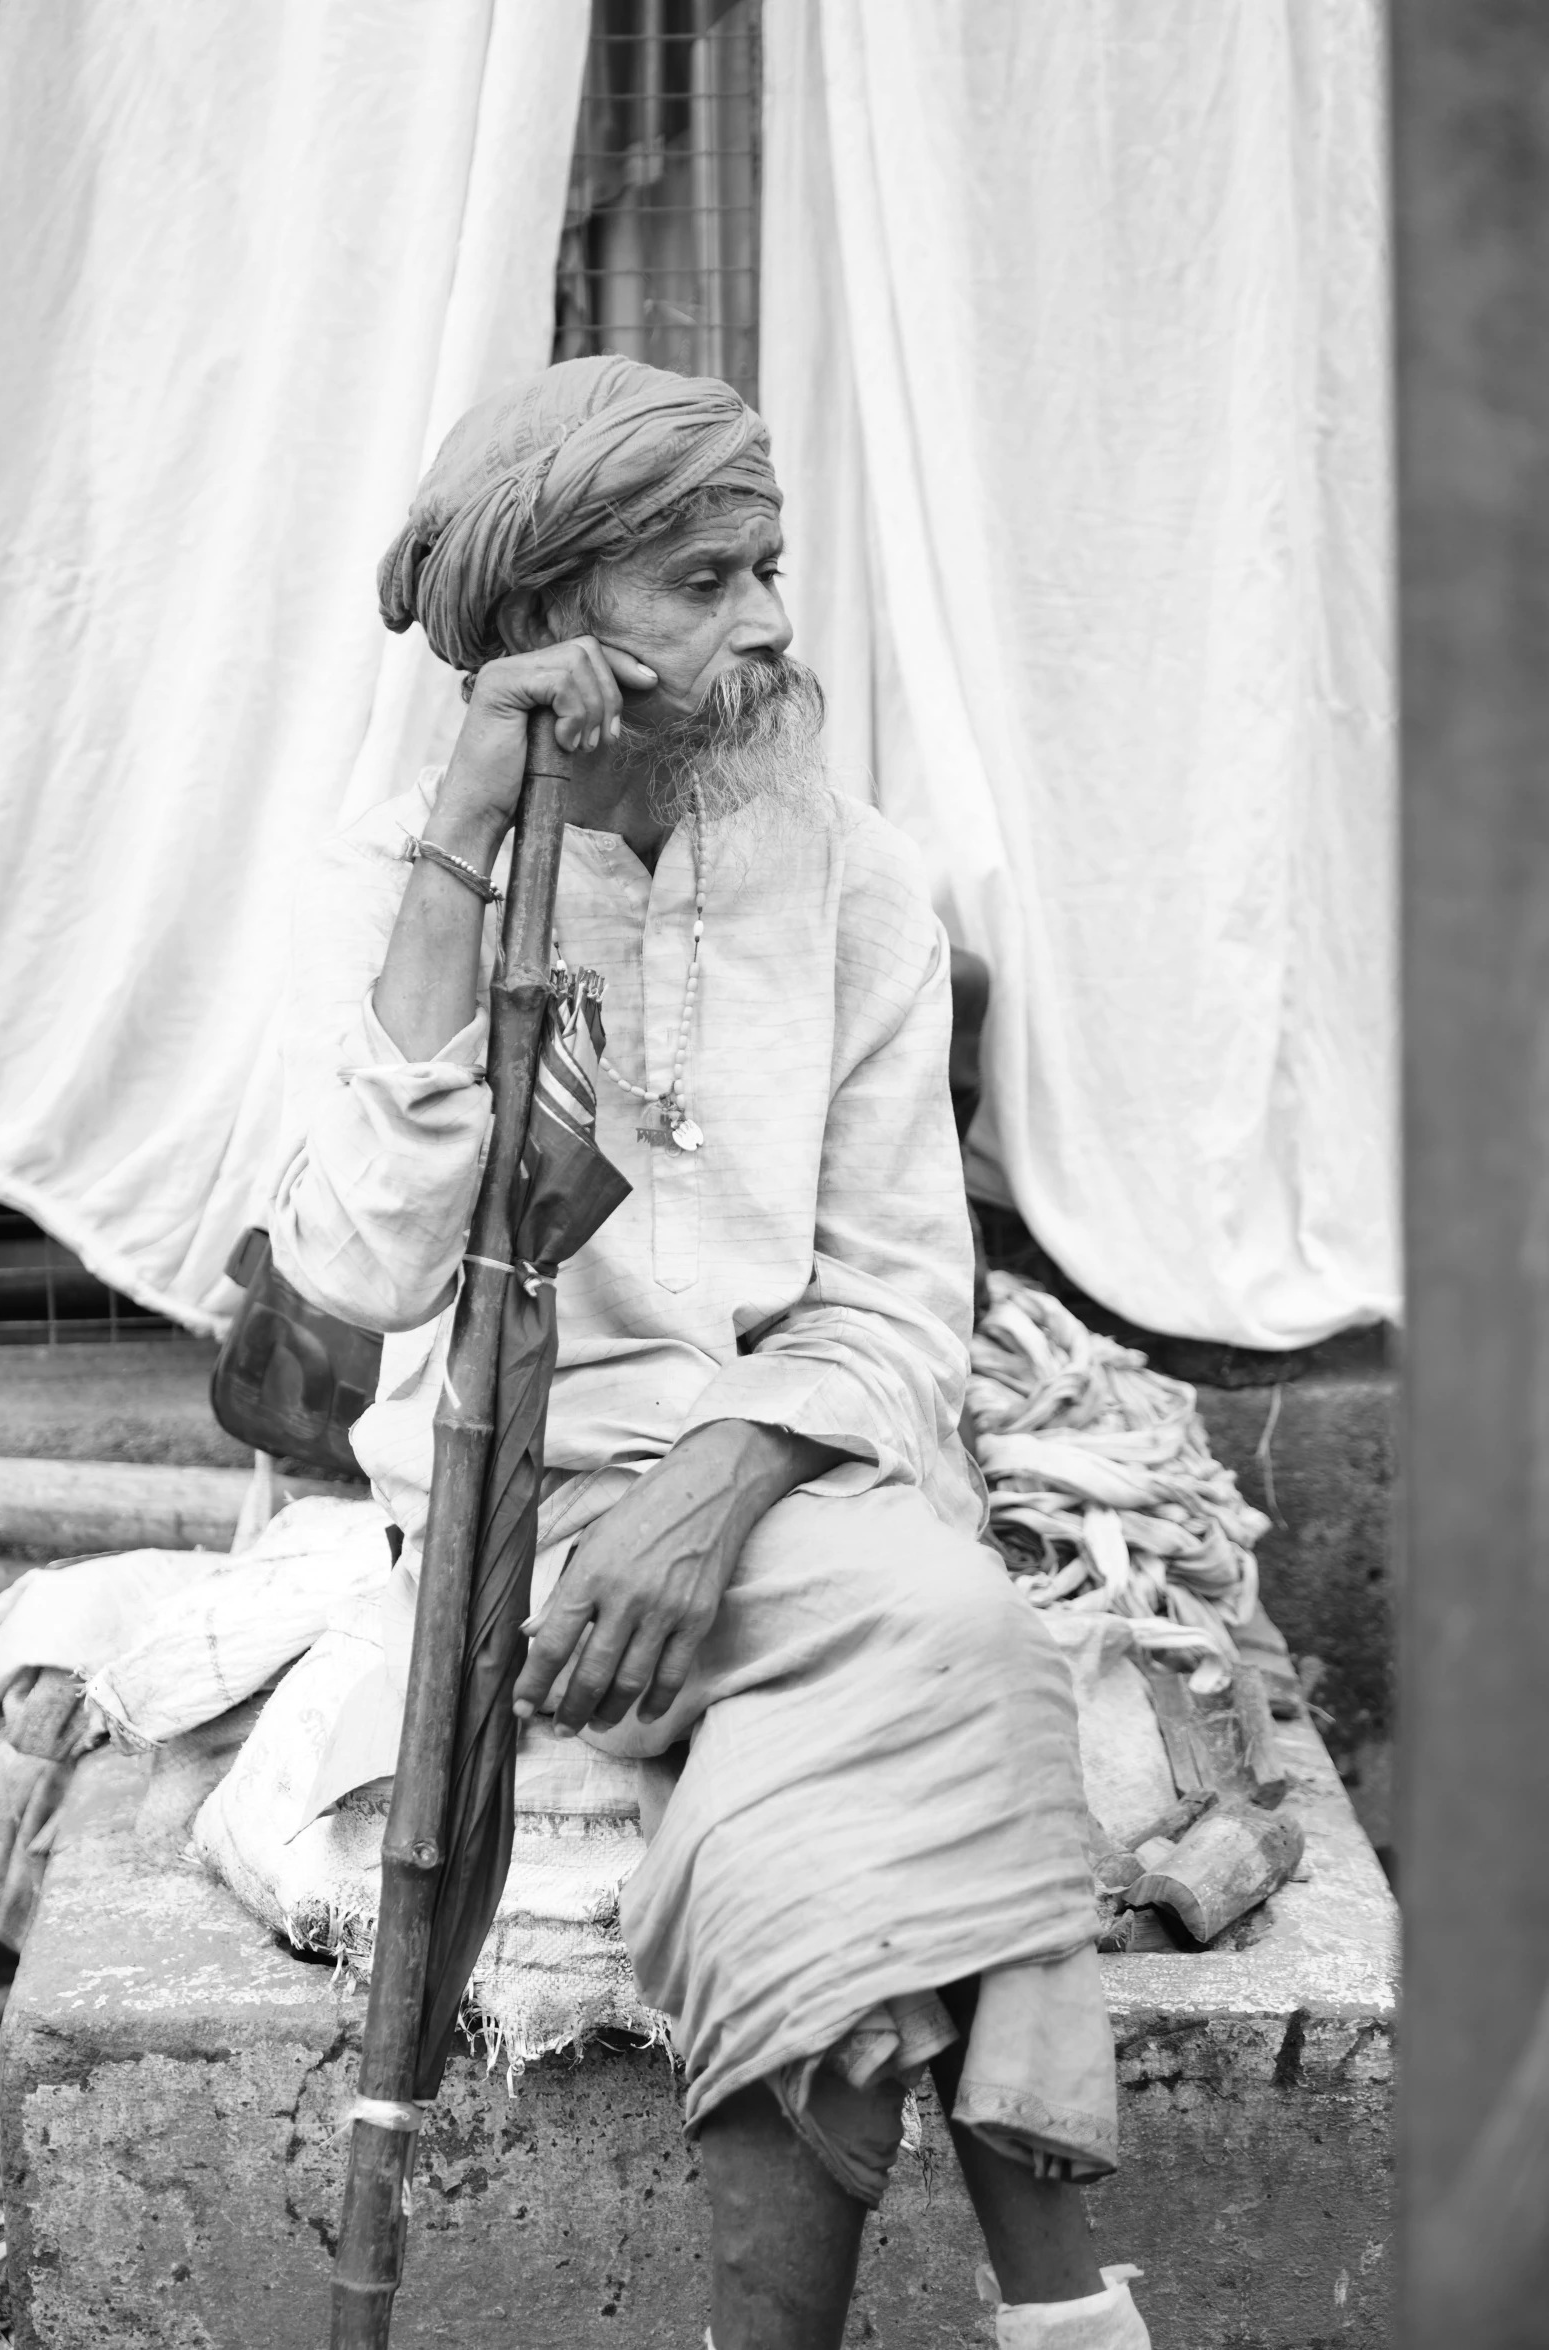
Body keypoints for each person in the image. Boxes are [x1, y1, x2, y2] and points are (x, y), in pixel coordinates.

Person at [273, 356, 1152, 2350]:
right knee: (971, 1647)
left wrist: (725, 1473)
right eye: (700, 580)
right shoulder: (395, 869)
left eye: (770, 565)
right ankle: (1079, 2319)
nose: (767, 623)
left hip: (797, 1481)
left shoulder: (854, 869)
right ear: (545, 626)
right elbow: (359, 1268)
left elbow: (909, 1288)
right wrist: (466, 843)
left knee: (831, 1787)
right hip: (519, 1508)